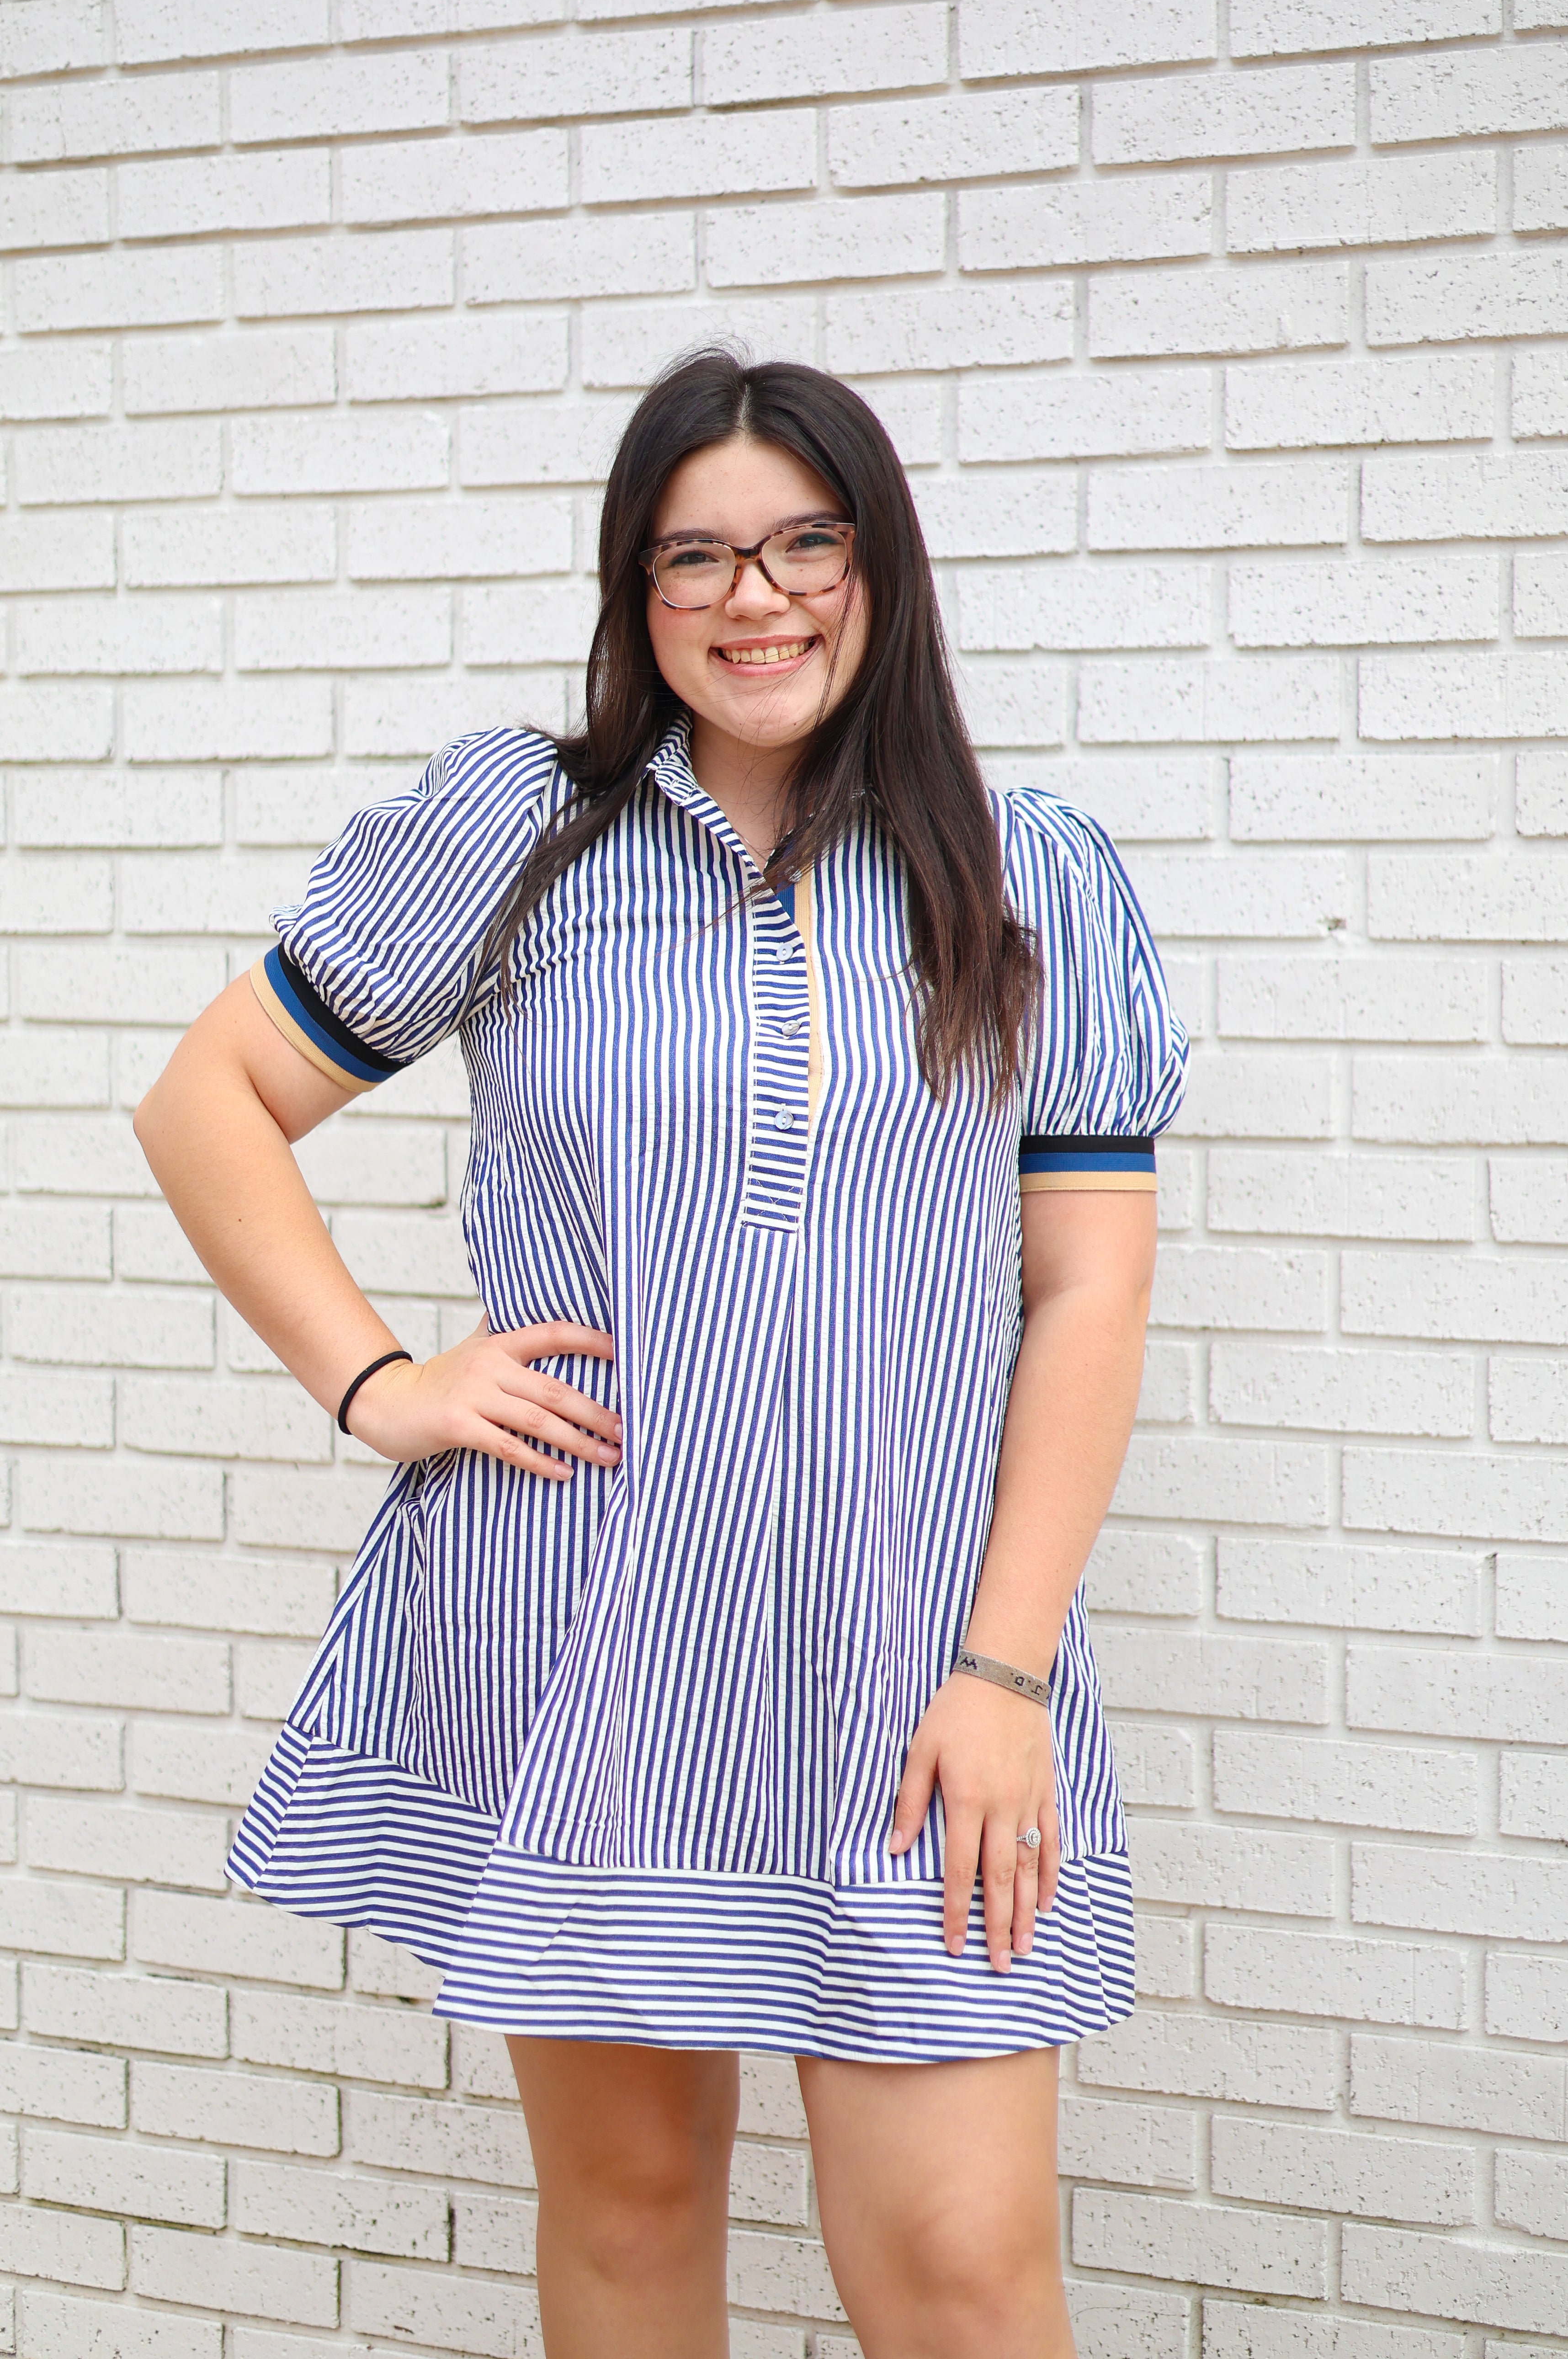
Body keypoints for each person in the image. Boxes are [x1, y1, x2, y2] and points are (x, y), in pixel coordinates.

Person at [135, 350, 1186, 2359]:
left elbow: (1087, 1294)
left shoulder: (1026, 867)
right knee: (626, 2218)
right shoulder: (521, 833)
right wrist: (383, 1384)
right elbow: (210, 1101)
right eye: (692, 555)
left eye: (806, 542)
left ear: (879, 570)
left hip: (915, 1662)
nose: (754, 597)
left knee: (966, 2275)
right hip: (589, 1634)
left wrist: (1005, 1668)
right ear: (637, 594)